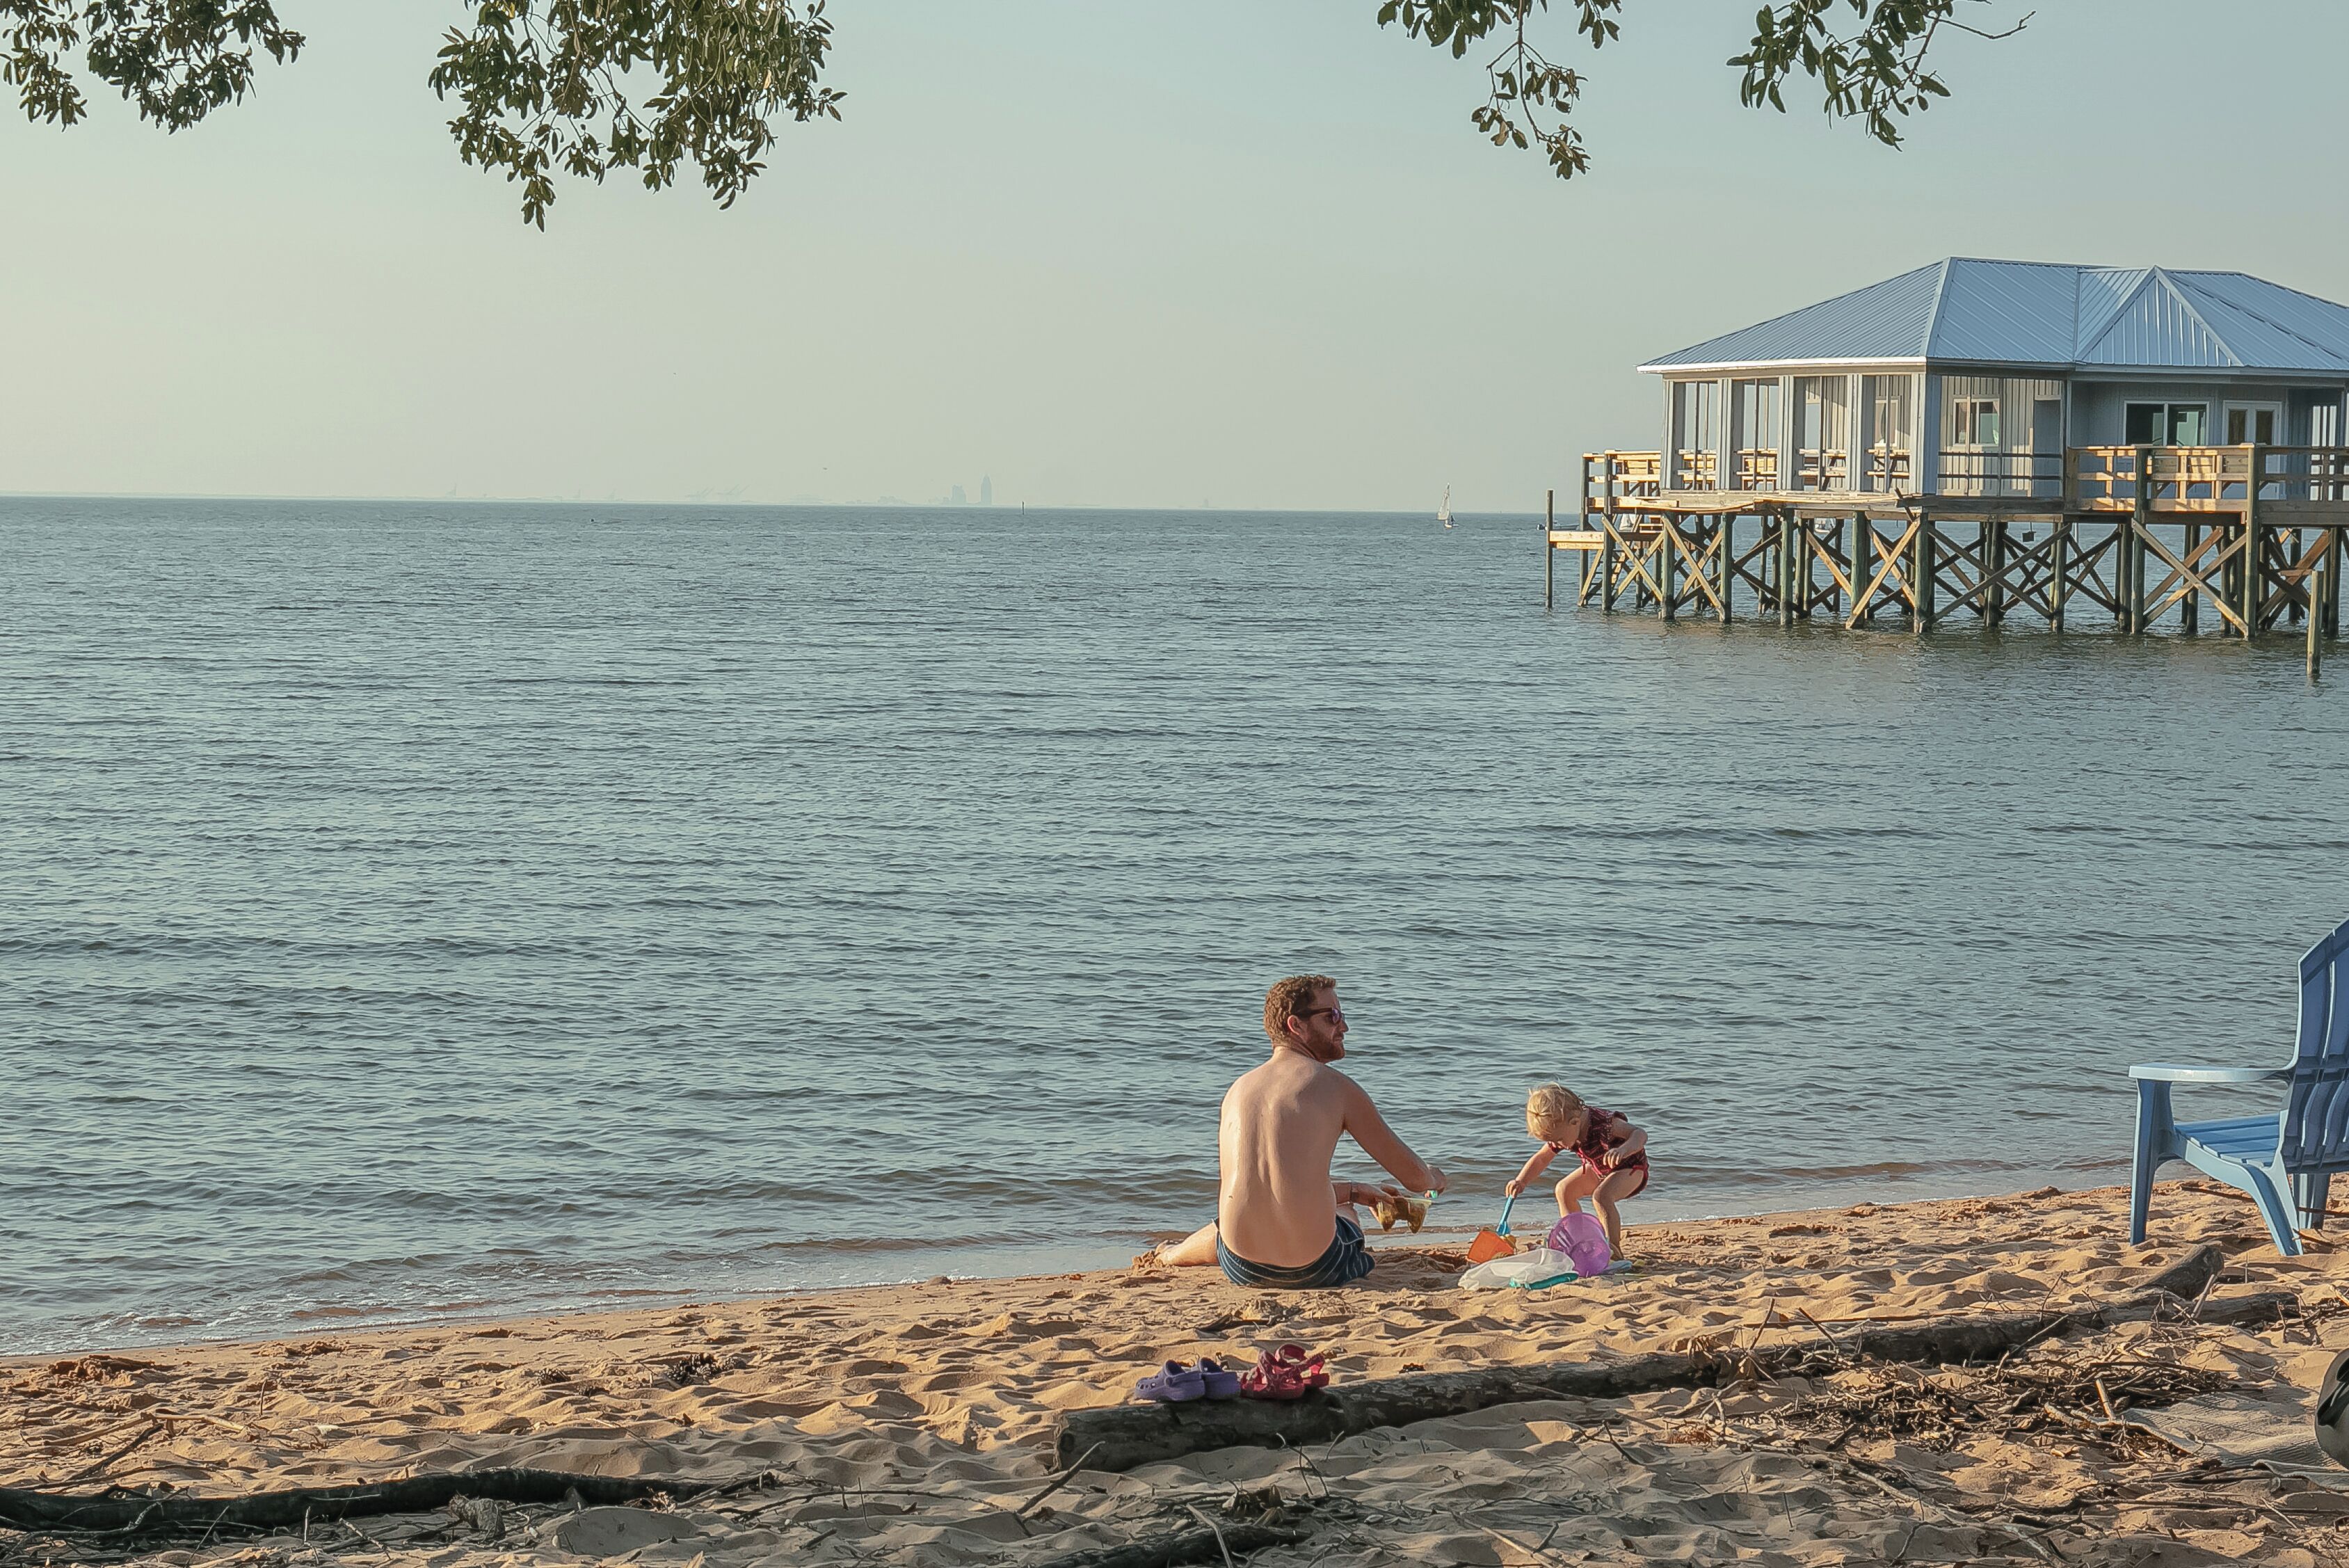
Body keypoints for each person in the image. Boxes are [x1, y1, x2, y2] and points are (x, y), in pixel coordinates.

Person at [1146, 975, 1448, 1288]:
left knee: (1246, 1213)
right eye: (1333, 1017)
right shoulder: (1336, 1087)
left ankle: (1171, 1255)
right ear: (1296, 1025)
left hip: (1240, 1267)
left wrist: (1358, 1190)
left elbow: (1276, 1187)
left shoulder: (1238, 1090)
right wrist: (1435, 1178)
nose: (1344, 1028)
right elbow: (1414, 1179)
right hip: (1317, 1268)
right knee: (1345, 1216)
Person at [1505, 1082, 1648, 1261]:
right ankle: (1577, 1240)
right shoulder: (1565, 1127)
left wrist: (1624, 1150)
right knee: (1564, 1190)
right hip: (1600, 1167)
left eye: (1560, 1140)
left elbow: (1639, 1134)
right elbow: (1542, 1158)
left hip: (1630, 1167)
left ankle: (1614, 1251)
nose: (1559, 1145)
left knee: (1601, 1197)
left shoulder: (1604, 1124)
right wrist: (1521, 1180)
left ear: (1574, 1122)